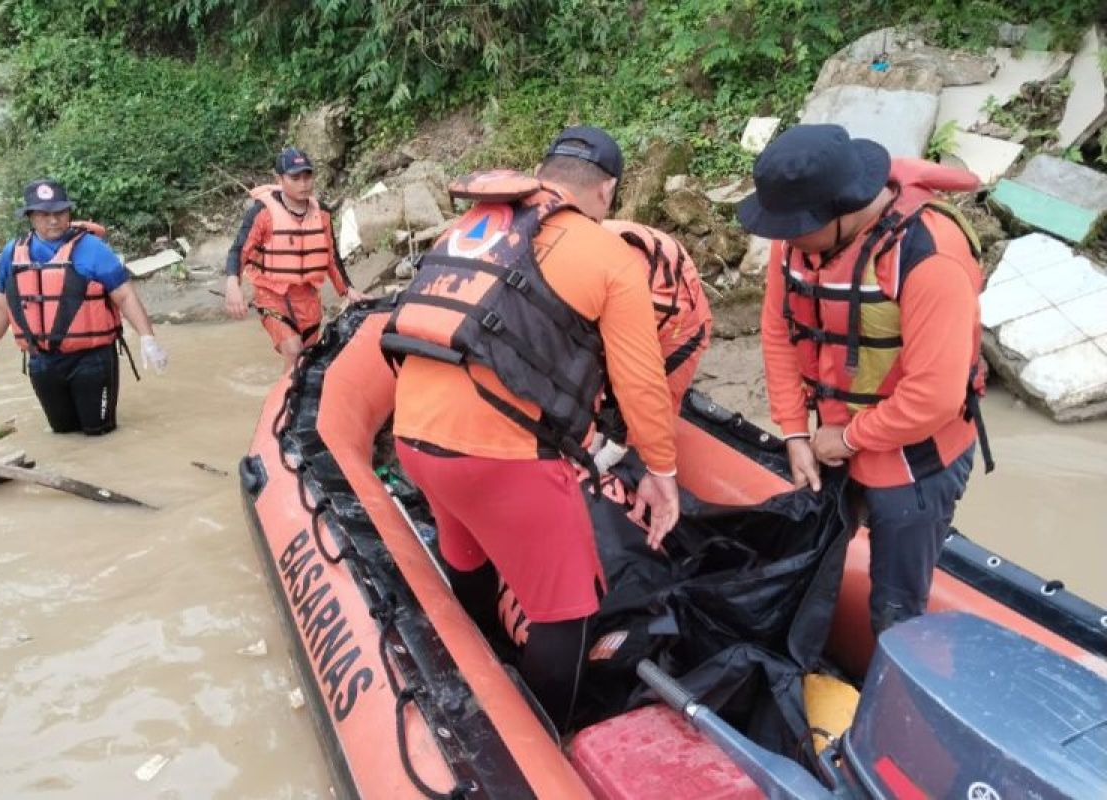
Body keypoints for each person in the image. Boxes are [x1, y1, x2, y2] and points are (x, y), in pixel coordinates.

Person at [381, 126, 680, 731]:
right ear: (606, 191)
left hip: (412, 437)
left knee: (466, 557)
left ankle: (483, 661)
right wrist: (661, 472)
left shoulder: (467, 231)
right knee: (566, 611)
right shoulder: (609, 255)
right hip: (498, 459)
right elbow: (642, 382)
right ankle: (544, 740)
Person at [738, 124, 991, 636]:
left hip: (916, 459)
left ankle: (897, 698)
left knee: (896, 611)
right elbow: (777, 331)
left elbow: (934, 397)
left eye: (794, 226)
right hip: (832, 438)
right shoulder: (796, 243)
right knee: (804, 564)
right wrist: (793, 431)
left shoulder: (929, 257)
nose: (781, 237)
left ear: (843, 210)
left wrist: (847, 438)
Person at [0, 179, 168, 436]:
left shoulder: (93, 249)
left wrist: (147, 338)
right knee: (62, 434)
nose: (53, 220)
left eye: (60, 212)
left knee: (98, 434)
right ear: (30, 216)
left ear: (69, 213)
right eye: (44, 214)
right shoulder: (13, 253)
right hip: (42, 361)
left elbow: (125, 295)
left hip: (92, 360)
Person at [223, 147, 367, 370]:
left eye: (307, 176)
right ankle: (286, 404)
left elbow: (330, 256)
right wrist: (233, 284)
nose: (303, 184)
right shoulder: (262, 213)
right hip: (271, 294)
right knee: (293, 349)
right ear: (279, 179)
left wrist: (348, 290)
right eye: (295, 178)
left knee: (307, 359)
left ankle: (293, 397)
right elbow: (238, 250)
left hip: (308, 297)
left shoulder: (323, 214)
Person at [595, 220, 713, 471]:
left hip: (681, 325)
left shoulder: (631, 291)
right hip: (632, 292)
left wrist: (615, 447)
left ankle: (641, 471)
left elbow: (640, 384)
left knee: (651, 412)